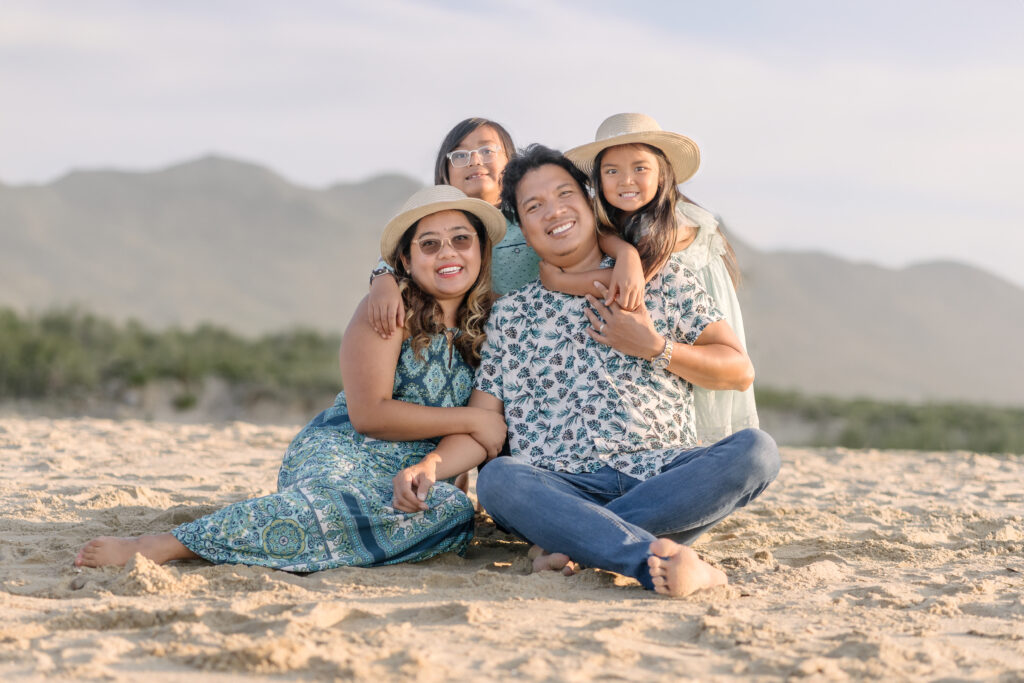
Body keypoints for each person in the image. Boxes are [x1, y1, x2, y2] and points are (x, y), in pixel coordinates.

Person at [75, 186, 508, 570]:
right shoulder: (388, 312)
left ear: (480, 251)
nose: (448, 253)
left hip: (421, 469)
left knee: (452, 513)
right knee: (333, 502)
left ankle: (321, 536)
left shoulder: (496, 325)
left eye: (461, 240)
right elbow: (370, 415)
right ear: (406, 260)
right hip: (346, 451)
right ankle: (171, 544)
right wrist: (469, 420)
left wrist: (430, 463)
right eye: (429, 245)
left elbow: (484, 432)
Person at [437, 144, 780, 597]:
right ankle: (659, 559)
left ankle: (579, 543)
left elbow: (738, 371)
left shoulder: (663, 279)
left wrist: (656, 347)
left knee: (757, 452)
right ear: (521, 224)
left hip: (661, 474)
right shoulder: (512, 315)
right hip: (559, 485)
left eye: (564, 196)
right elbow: (484, 423)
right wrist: (431, 467)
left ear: (589, 203)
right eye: (534, 206)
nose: (553, 212)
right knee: (500, 480)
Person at [537, 113, 757, 444]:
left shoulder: (676, 227)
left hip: (691, 323)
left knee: (694, 403)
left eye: (640, 168)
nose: (626, 180)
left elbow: (636, 286)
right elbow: (605, 236)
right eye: (612, 171)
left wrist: (562, 283)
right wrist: (624, 253)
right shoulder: (611, 218)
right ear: (598, 179)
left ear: (662, 173)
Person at [365, 117, 639, 339]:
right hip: (472, 338)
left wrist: (628, 255)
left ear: (511, 161)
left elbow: (594, 235)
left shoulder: (532, 218)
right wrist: (382, 280)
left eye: (486, 150)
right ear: (444, 173)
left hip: (533, 330)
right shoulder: (441, 231)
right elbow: (401, 255)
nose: (474, 160)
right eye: (460, 155)